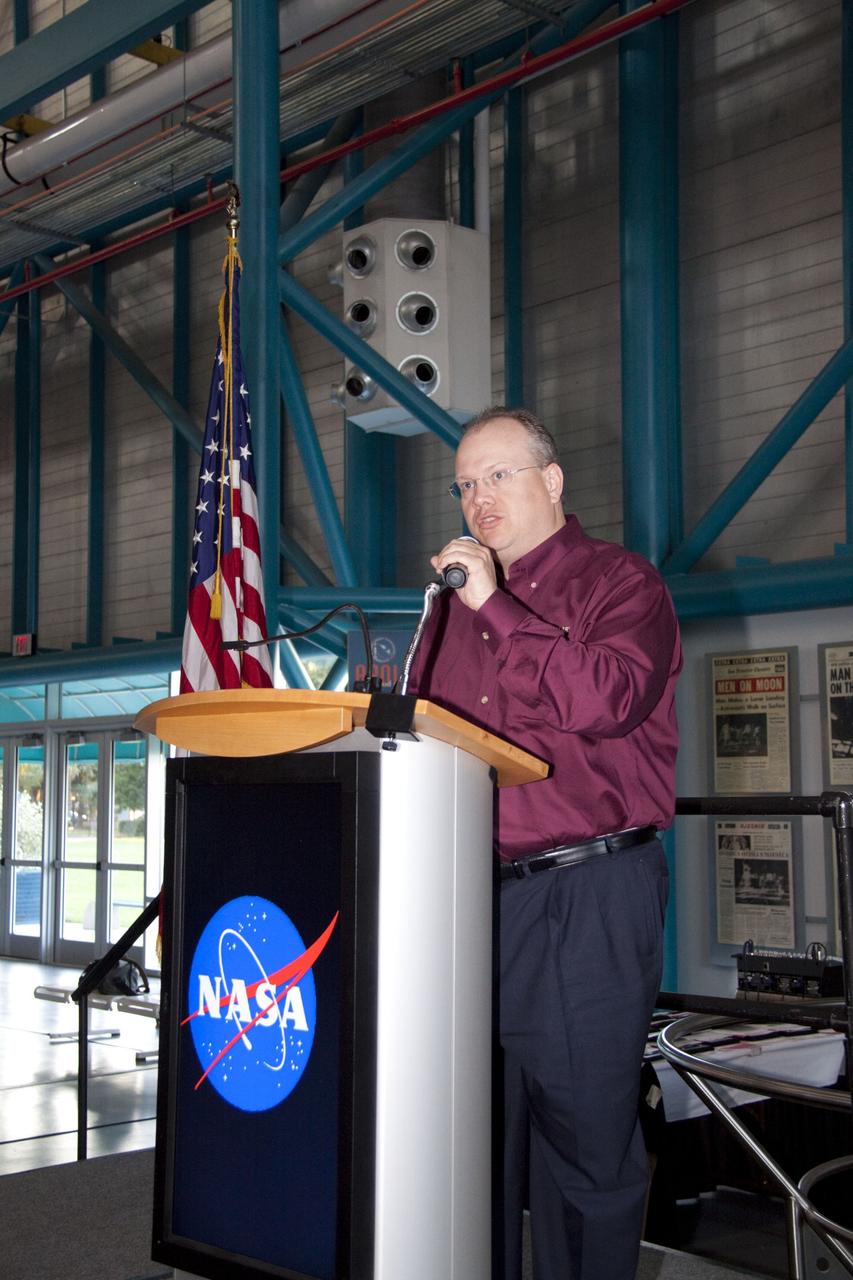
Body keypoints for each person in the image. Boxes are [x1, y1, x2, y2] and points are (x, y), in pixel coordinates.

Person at [407, 406, 682, 1280]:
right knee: (474, 1139)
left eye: (498, 475)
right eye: (465, 483)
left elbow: (609, 698)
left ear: (551, 481)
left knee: (582, 1141)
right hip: (469, 893)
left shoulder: (620, 584)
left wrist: (494, 607)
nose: (478, 498)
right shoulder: (446, 608)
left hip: (586, 893)